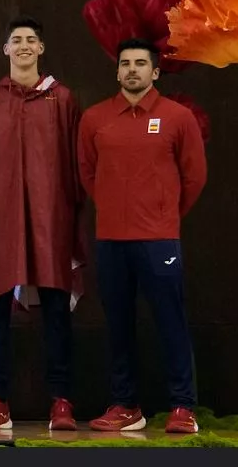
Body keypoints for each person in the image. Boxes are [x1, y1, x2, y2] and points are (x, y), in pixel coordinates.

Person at [79, 38, 206, 434]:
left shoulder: (177, 117)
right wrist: (117, 210)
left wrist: (163, 215)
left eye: (140, 64)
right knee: (118, 325)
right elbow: (87, 173)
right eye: (125, 64)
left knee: (171, 322)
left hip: (159, 240)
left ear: (155, 72)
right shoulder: (95, 119)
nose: (132, 69)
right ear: (117, 72)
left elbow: (194, 176)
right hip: (111, 239)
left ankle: (183, 407)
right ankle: (125, 406)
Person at [0, 16, 82, 431]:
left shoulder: (63, 99)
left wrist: (63, 211)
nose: (23, 46)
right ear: (5, 49)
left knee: (56, 314)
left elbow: (74, 164)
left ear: (41, 48)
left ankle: (61, 401)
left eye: (31, 40)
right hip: (2, 223)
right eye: (15, 40)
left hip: (51, 221)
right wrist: (0, 205)